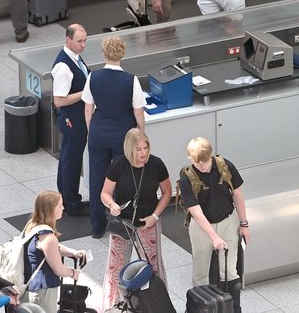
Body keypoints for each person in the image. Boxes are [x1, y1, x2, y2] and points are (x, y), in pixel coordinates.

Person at [82, 36, 146, 239]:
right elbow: (138, 113)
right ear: (123, 53)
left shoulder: (93, 77)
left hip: (99, 132)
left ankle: (97, 227)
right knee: (124, 179)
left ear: (104, 54)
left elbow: (87, 109)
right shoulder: (131, 80)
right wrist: (142, 135)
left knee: (97, 180)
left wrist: (92, 130)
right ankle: (122, 222)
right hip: (123, 135)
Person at [100, 128, 171, 311]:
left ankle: (159, 306)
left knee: (153, 268)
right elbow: (105, 193)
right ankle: (111, 306)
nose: (143, 153)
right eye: (138, 149)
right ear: (130, 149)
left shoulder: (156, 164)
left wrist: (155, 216)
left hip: (148, 223)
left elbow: (167, 192)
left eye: (145, 148)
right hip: (122, 224)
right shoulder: (118, 165)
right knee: (115, 268)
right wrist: (112, 205)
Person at [181, 136, 249, 313]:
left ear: (211, 154)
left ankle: (234, 309)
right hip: (201, 226)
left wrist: (244, 224)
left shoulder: (225, 166)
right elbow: (196, 211)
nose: (202, 166)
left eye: (205, 162)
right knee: (200, 271)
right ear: (191, 159)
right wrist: (214, 237)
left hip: (227, 220)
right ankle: (200, 309)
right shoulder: (187, 177)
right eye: (197, 163)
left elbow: (238, 195)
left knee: (230, 270)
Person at [22, 191, 87, 313]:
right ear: (50, 209)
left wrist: (72, 252)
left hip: (29, 285)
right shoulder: (49, 237)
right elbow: (59, 269)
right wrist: (73, 273)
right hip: (43, 292)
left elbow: (49, 248)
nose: (63, 208)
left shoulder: (32, 226)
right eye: (60, 205)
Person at [52, 24, 90, 216]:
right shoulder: (63, 66)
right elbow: (59, 100)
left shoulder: (74, 58)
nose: (83, 45)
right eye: (79, 41)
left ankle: (65, 197)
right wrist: (85, 92)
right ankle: (72, 202)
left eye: (85, 41)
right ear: (68, 40)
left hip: (77, 117)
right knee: (71, 160)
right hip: (72, 119)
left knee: (68, 158)